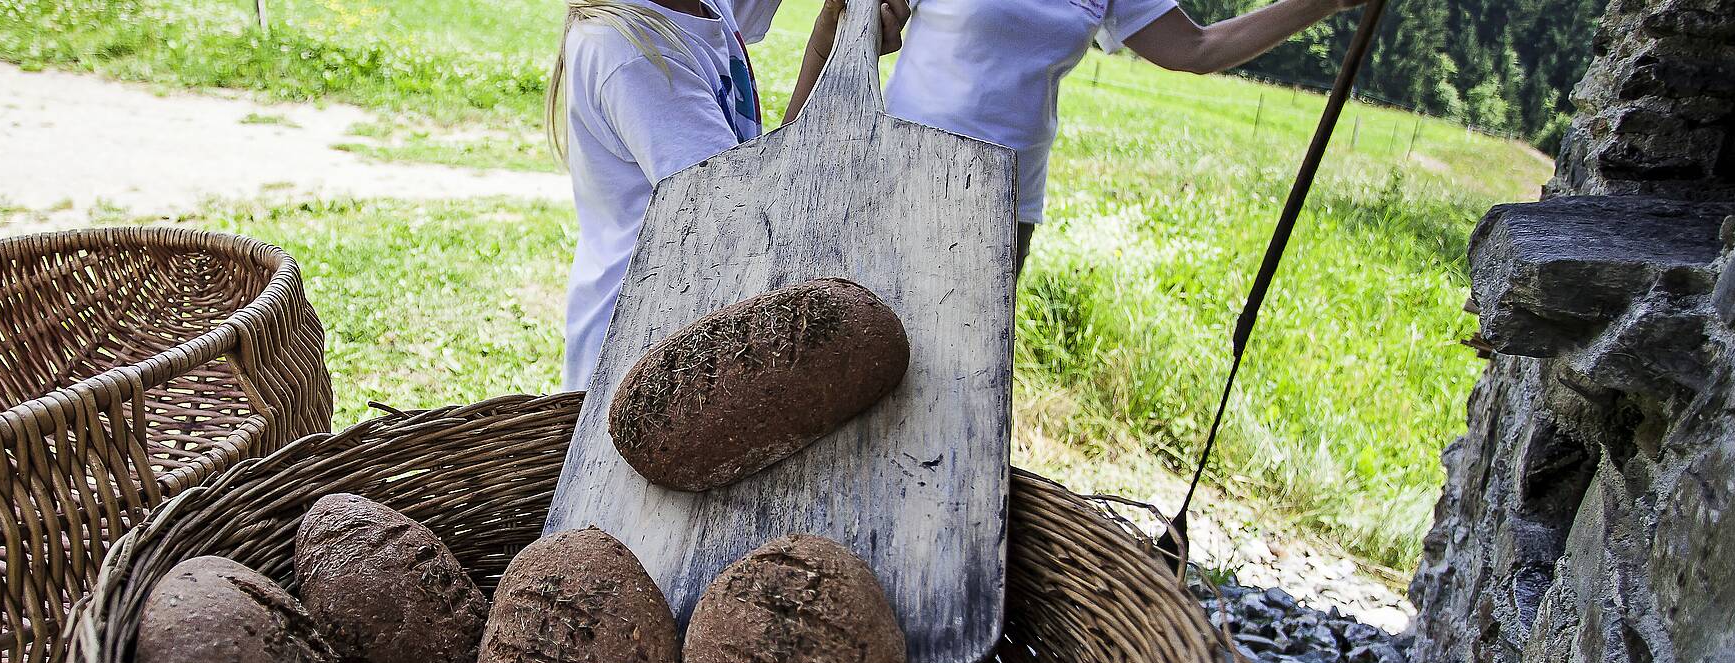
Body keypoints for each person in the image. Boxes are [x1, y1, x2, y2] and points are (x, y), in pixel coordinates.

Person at [552, 0, 910, 391]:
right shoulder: (630, 53)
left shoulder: (702, 6)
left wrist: (832, 39)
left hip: (703, 321)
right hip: (641, 355)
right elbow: (746, 226)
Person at [870, 0, 1371, 272]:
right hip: (898, 171)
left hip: (1003, 204)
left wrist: (1324, 3)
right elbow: (849, 25)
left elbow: (1195, 48)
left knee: (957, 379)